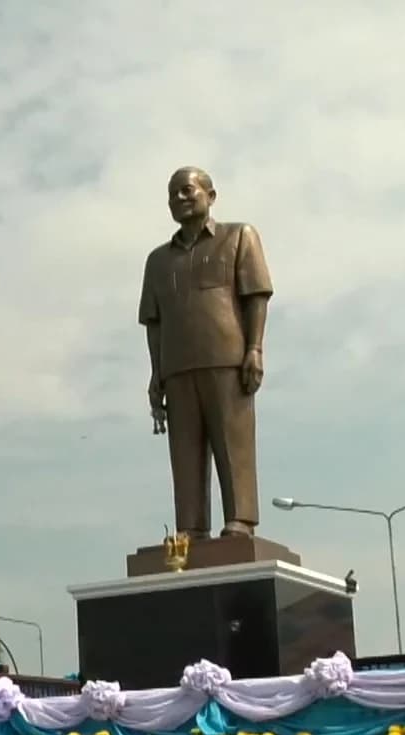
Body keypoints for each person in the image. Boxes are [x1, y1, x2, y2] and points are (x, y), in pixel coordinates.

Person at [138, 167, 273, 540]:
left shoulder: (238, 237)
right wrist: (156, 374)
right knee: (185, 452)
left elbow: (256, 295)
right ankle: (191, 526)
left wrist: (255, 348)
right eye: (172, 195)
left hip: (227, 359)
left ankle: (241, 520)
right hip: (178, 366)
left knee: (234, 442)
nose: (179, 199)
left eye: (187, 190)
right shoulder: (158, 261)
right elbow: (154, 323)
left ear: (210, 195)